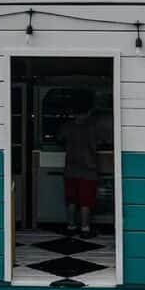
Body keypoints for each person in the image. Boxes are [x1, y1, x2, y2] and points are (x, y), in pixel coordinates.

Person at [58, 91, 98, 237]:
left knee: (71, 200)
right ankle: (85, 229)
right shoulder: (92, 127)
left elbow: (59, 138)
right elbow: (96, 145)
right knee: (86, 201)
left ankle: (71, 227)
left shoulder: (67, 126)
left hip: (70, 169)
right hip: (88, 170)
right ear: (88, 111)